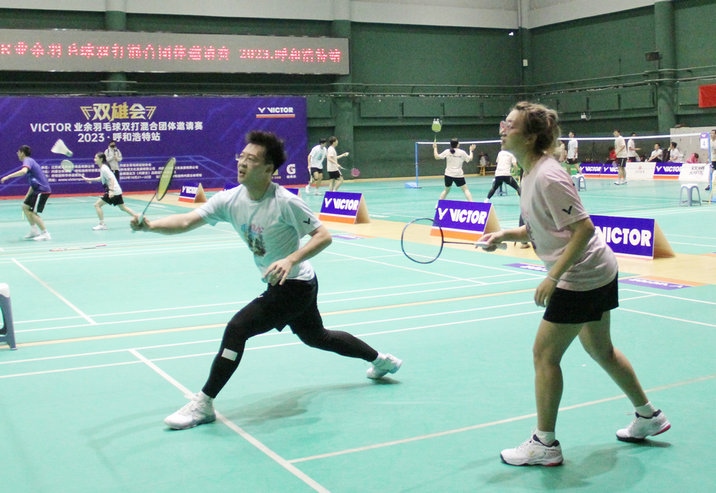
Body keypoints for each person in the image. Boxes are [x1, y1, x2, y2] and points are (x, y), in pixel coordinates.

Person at [131, 130, 402, 430]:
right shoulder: (229, 199)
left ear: (268, 169)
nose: (242, 162)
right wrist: (151, 226)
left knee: (237, 329)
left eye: (251, 159)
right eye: (242, 156)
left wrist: (290, 259)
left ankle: (204, 403)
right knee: (317, 337)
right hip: (291, 282)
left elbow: (323, 236)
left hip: (294, 285)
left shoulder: (285, 202)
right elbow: (186, 220)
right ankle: (381, 360)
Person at [481, 102, 670, 467]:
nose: (502, 128)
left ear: (530, 137)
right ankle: (649, 416)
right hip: (596, 270)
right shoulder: (528, 172)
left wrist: (553, 276)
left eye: (511, 124)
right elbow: (545, 227)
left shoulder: (548, 176)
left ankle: (545, 443)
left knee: (544, 355)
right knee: (601, 350)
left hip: (581, 276)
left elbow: (583, 229)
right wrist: (504, 234)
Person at [0, 145, 52, 241]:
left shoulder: (27, 160)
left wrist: (8, 177)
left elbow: (23, 171)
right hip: (37, 189)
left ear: (22, 153)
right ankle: (34, 230)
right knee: (25, 206)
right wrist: (27, 197)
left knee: (32, 212)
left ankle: (45, 234)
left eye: (18, 152)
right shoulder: (31, 162)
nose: (17, 153)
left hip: (42, 190)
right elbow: (33, 184)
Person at [83, 152, 138, 229]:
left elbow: (111, 179)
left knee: (97, 205)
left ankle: (102, 224)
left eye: (96, 158)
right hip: (117, 190)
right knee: (123, 208)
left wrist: (111, 191)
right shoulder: (103, 167)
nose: (94, 159)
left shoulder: (104, 168)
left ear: (101, 159)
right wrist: (89, 179)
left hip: (113, 191)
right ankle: (138, 218)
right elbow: (101, 178)